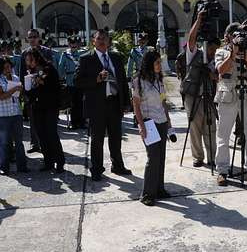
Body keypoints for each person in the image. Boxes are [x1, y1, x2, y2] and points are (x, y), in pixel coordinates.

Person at [75, 30, 132, 181]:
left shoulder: (115, 57)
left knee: (116, 138)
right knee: (97, 139)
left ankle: (118, 166)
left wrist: (126, 102)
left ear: (108, 41)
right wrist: (96, 79)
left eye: (104, 38)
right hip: (96, 106)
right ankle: (96, 169)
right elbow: (78, 81)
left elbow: (122, 82)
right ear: (93, 41)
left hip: (114, 103)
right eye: (98, 38)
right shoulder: (86, 58)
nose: (101, 41)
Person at [213, 23, 247, 186]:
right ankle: (222, 170)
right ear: (228, 37)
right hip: (228, 97)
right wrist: (232, 55)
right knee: (223, 135)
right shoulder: (221, 52)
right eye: (235, 36)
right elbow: (220, 70)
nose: (239, 40)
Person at [132, 50, 173, 206]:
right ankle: (147, 194)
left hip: (161, 121)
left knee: (161, 157)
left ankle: (159, 189)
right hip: (149, 122)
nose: (159, 65)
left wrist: (169, 122)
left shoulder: (159, 80)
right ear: (149, 63)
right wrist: (141, 126)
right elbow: (135, 105)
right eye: (157, 62)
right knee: (153, 157)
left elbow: (163, 102)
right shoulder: (139, 81)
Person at [184, 11, 219, 168]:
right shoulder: (195, 54)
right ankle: (198, 157)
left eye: (215, 50)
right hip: (193, 96)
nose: (213, 53)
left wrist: (213, 75)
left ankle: (212, 157)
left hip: (209, 97)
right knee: (195, 128)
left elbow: (220, 77)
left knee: (211, 128)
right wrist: (198, 20)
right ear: (206, 46)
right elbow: (191, 39)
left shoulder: (216, 59)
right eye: (211, 49)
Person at [24, 49, 65, 172]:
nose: (28, 63)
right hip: (37, 107)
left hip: (50, 106)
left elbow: (54, 86)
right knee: (41, 134)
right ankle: (48, 161)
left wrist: (41, 81)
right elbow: (30, 91)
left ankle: (60, 162)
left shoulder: (48, 68)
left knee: (51, 134)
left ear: (36, 58)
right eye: (26, 60)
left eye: (30, 60)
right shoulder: (30, 72)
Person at [20, 28, 56, 154]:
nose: (32, 39)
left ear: (39, 38)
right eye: (30, 37)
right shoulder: (24, 54)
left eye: (35, 36)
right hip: (31, 91)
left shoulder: (46, 52)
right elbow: (22, 73)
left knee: (47, 122)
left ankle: (48, 145)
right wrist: (24, 92)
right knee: (33, 119)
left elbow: (52, 70)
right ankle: (35, 143)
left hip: (45, 91)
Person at [0, 56, 28, 175]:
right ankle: (4, 167)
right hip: (3, 115)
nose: (8, 69)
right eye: (5, 67)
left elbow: (18, 96)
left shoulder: (16, 77)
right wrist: (14, 89)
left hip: (16, 112)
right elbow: (1, 96)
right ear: (0, 68)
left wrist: (21, 90)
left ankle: (22, 166)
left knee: (19, 141)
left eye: (9, 66)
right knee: (4, 142)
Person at [58, 36, 85, 129]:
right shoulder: (65, 54)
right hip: (70, 81)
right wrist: (60, 78)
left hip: (80, 81)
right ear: (69, 44)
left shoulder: (81, 54)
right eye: (72, 44)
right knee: (72, 103)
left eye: (75, 44)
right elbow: (61, 67)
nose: (73, 45)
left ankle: (82, 122)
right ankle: (74, 123)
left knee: (81, 102)